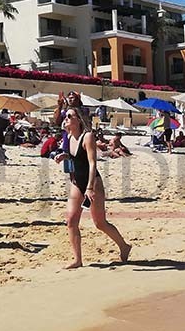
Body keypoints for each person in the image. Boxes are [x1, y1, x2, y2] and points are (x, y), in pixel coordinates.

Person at [53, 107, 132, 269]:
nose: (66, 118)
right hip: (77, 183)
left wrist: (89, 187)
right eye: (65, 116)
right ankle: (77, 259)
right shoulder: (69, 136)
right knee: (71, 221)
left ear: (78, 119)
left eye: (69, 116)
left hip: (93, 183)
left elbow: (92, 163)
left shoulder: (87, 136)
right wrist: (64, 156)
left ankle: (124, 246)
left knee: (100, 223)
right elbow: (76, 158)